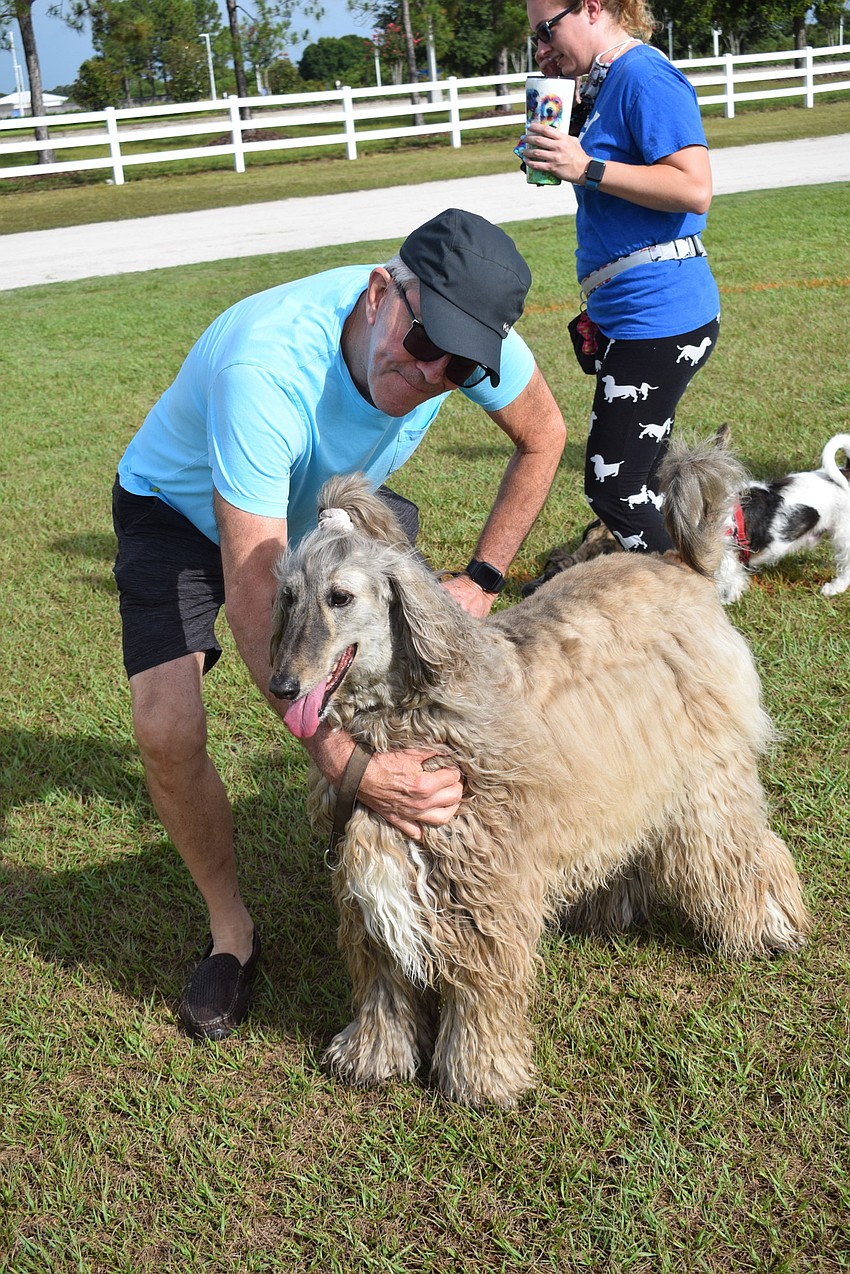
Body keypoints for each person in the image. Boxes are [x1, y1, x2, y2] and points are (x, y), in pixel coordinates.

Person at [111, 207, 566, 1041]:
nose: (432, 373)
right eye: (422, 344)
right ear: (380, 293)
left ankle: (407, 860)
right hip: (180, 514)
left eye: (460, 367)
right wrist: (342, 763)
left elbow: (544, 436)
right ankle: (232, 936)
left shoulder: (464, 347)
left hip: (331, 511)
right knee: (166, 725)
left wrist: (483, 577)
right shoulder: (268, 369)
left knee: (401, 684)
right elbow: (259, 592)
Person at [521, 0, 720, 555]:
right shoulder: (602, 85)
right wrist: (563, 150)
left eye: (546, 30)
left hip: (658, 313)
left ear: (590, 7)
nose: (540, 48)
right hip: (630, 311)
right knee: (644, 477)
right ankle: (696, 573)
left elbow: (692, 187)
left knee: (615, 488)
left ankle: (681, 609)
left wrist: (586, 167)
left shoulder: (643, 75)